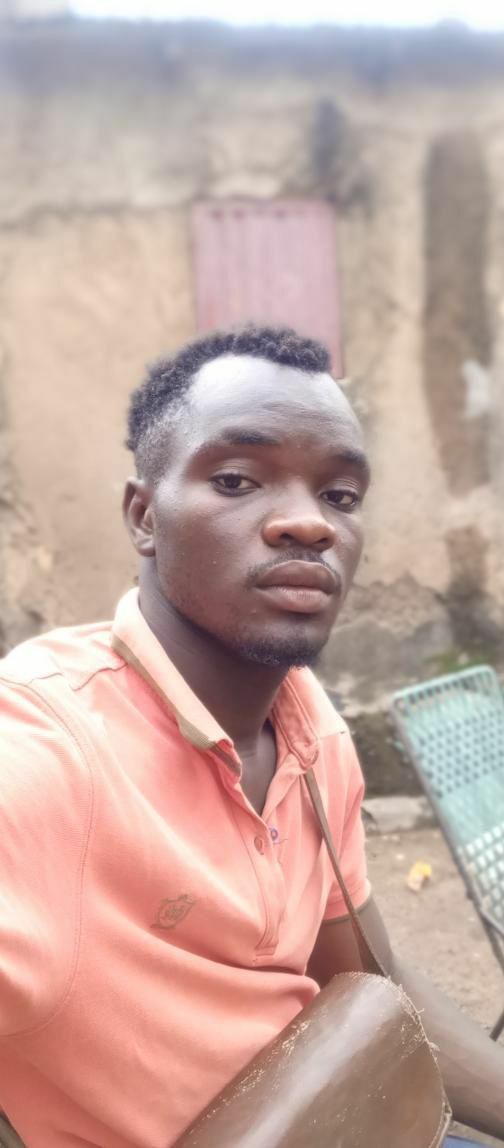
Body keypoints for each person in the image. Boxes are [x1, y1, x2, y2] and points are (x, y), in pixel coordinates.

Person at [0, 325, 502, 1148]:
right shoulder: (50, 749)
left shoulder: (313, 730)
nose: (309, 523)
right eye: (237, 479)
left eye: (340, 495)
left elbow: (372, 980)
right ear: (144, 516)